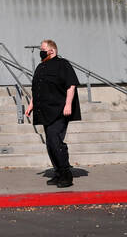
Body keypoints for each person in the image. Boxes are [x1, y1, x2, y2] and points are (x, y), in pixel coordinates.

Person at [24, 39, 81, 188]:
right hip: (45, 111)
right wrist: (31, 105)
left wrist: (68, 104)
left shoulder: (63, 65)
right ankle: (58, 173)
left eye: (42, 49)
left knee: (56, 141)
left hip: (59, 110)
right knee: (50, 143)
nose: (40, 51)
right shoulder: (41, 67)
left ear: (51, 50)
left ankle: (66, 175)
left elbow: (71, 85)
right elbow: (37, 89)